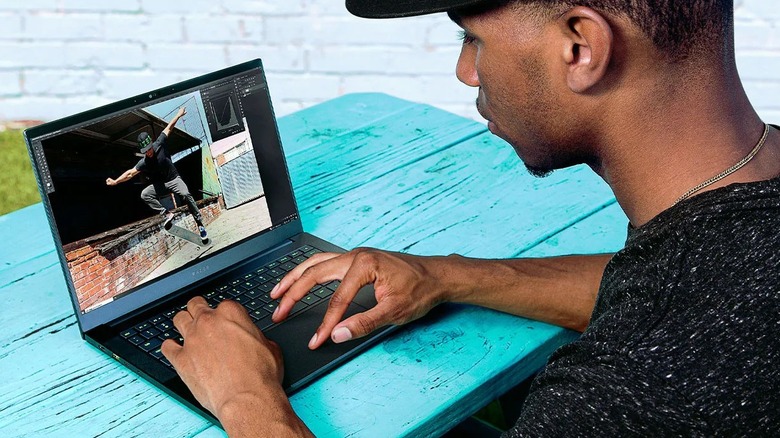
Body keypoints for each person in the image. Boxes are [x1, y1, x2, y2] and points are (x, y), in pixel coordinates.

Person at [161, 0, 780, 435]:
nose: (465, 72)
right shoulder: (732, 224)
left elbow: (672, 315)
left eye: (472, 38)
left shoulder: (639, 386)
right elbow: (665, 280)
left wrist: (246, 396)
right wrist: (447, 275)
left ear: (581, 46)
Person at [106, 107, 209, 243]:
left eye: (149, 149)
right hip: (161, 185)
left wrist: (178, 114)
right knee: (145, 194)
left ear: (151, 144)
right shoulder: (144, 162)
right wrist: (115, 181)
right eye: (145, 151)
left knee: (185, 194)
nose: (148, 153)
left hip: (174, 179)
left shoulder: (159, 143)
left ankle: (200, 224)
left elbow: (169, 127)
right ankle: (167, 213)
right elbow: (130, 173)